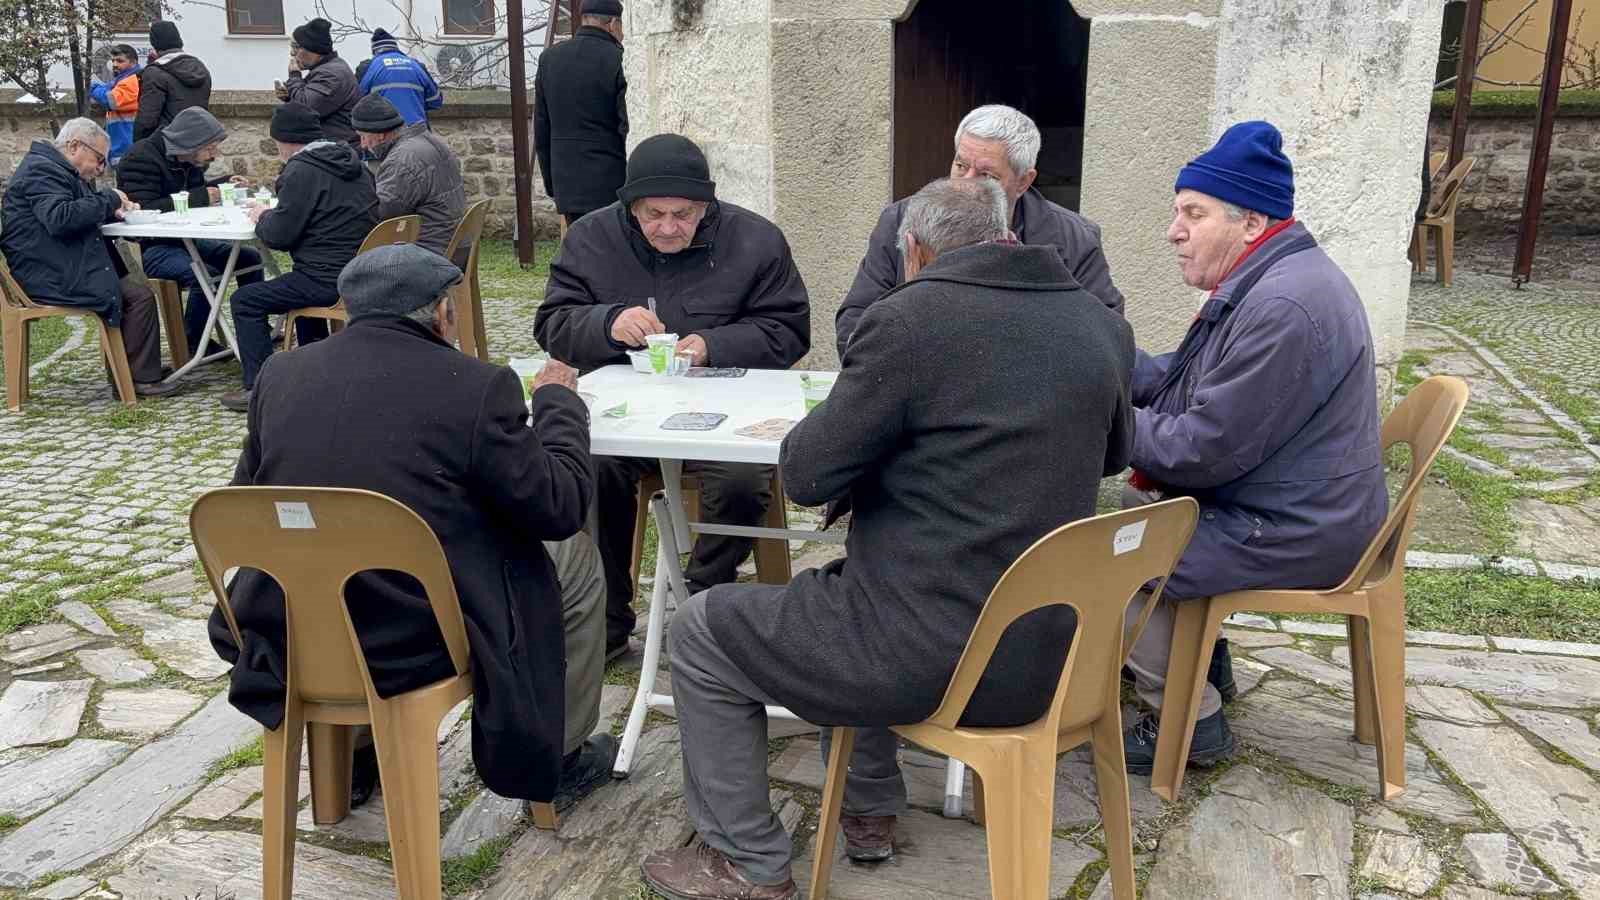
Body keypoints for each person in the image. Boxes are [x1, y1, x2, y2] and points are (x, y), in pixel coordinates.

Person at [639, 178, 1134, 898]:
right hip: (1060, 652)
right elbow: (1115, 455)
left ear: (914, 251)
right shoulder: (1101, 325)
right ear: (1007, 234)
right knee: (854, 586)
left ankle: (746, 863)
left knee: (702, 629)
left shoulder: (908, 322)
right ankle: (870, 807)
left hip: (934, 654)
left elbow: (806, 475)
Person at [209, 243, 616, 814]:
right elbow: (558, 505)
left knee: (340, 562)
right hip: (415, 637)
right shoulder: (476, 386)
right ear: (443, 313)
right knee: (572, 558)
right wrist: (557, 405)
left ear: (348, 309)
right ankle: (563, 754)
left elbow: (248, 500)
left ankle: (349, 756)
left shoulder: (280, 373)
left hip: (289, 626)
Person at [1118, 121, 1387, 774]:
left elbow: (1201, 451)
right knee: (1135, 517)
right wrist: (1101, 362)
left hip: (1299, 526)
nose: (1173, 230)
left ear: (1249, 222)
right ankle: (1202, 664)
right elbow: (1188, 384)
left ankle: (1192, 720)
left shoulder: (1284, 306)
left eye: (1192, 212)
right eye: (1177, 211)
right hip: (1302, 503)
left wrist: (1101, 423)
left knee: (1115, 556)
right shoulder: (1272, 279)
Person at [534, 133, 809, 659]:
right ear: (630, 206)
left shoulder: (756, 240)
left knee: (744, 473)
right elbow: (552, 324)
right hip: (630, 410)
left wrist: (714, 344)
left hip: (728, 411)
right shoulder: (591, 239)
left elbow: (790, 329)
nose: (667, 227)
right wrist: (608, 321)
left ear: (706, 206)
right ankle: (607, 619)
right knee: (589, 465)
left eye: (683, 214)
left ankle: (702, 600)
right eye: (653, 214)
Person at [835, 104, 1123, 358]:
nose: (966, 184)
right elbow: (855, 324)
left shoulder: (1074, 239)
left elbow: (1107, 338)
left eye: (986, 175)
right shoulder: (900, 219)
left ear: (1024, 181)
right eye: (960, 166)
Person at [0, 119, 178, 396]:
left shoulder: (57, 169)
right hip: (47, 274)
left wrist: (111, 209)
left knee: (135, 288)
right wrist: (109, 199)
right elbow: (60, 218)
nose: (100, 168)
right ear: (73, 146)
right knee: (138, 296)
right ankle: (135, 378)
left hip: (57, 263)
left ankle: (134, 368)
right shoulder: (42, 171)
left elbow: (75, 210)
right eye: (99, 159)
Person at [223, 104, 377, 412]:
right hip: (362, 269)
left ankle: (261, 387)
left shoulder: (300, 170)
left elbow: (280, 236)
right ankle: (315, 373)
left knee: (245, 300)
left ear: (284, 140)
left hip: (326, 278)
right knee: (299, 294)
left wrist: (262, 216)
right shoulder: (353, 162)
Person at [118, 107, 263, 357]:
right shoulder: (140, 158)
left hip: (185, 240)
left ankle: (255, 330)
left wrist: (222, 184)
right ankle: (193, 342)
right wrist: (202, 195)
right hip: (150, 246)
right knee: (204, 274)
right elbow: (143, 208)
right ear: (189, 143)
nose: (213, 155)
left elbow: (191, 195)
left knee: (248, 258)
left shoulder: (187, 158)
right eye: (209, 148)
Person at [533, 0, 628, 225]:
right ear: (613, 24)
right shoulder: (617, 58)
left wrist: (552, 183)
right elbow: (625, 126)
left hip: (567, 183)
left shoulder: (549, 59)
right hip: (610, 183)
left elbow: (542, 128)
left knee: (580, 253)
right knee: (613, 253)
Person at [351, 94, 465, 259]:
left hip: (432, 253)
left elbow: (378, 216)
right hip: (454, 245)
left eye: (363, 136)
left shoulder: (402, 161)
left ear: (380, 135)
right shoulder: (427, 140)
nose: (362, 144)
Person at [277, 18, 360, 145]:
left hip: (338, 152)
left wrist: (294, 76)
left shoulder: (331, 75)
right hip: (334, 147)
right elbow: (308, 99)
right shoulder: (326, 69)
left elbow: (305, 110)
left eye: (296, 47)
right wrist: (289, 96)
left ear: (313, 50)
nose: (292, 53)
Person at [135, 21, 212, 142]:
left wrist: (138, 144)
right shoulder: (200, 68)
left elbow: (147, 119)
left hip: (167, 144)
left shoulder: (154, 73)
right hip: (198, 141)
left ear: (154, 43)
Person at [358, 28, 443, 127]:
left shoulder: (368, 67)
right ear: (395, 47)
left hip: (386, 133)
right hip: (417, 131)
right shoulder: (417, 65)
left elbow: (359, 102)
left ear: (374, 51)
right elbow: (436, 101)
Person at [89, 44, 141, 167]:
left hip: (127, 147)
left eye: (120, 61)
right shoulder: (121, 80)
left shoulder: (133, 81)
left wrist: (92, 88)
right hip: (123, 146)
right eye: (113, 60)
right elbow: (107, 89)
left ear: (133, 62)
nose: (115, 64)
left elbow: (110, 100)